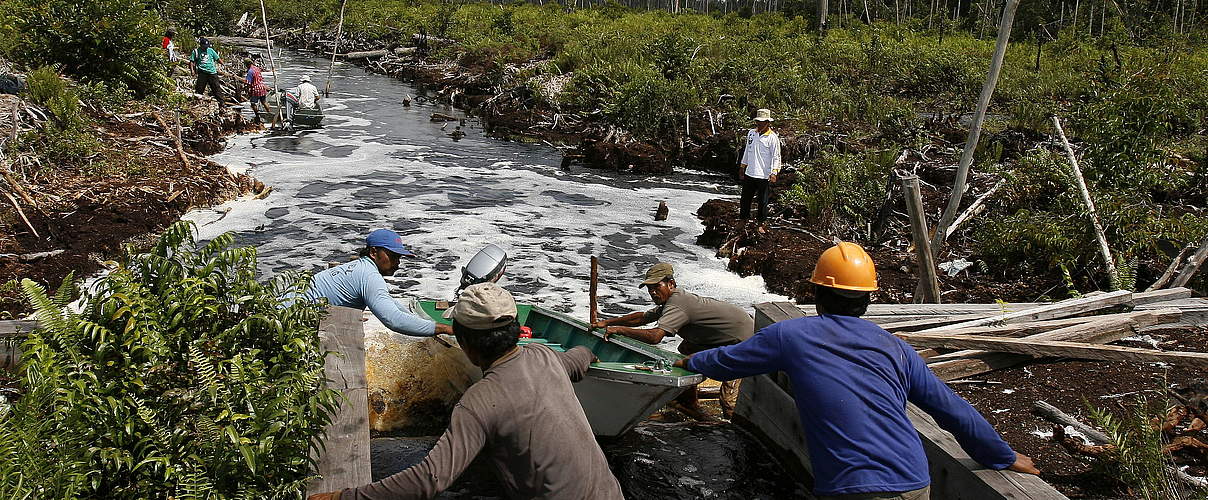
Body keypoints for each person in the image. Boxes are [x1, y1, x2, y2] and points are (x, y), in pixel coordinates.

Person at [674, 242, 1041, 499]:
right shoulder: (897, 348)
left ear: (816, 292)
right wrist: (1002, 456)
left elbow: (728, 361)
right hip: (914, 482)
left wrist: (691, 361)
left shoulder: (791, 336)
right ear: (867, 300)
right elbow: (953, 410)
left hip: (854, 487)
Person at [308, 283, 624, 500]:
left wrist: (343, 496)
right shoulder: (543, 357)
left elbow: (430, 479)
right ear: (516, 331)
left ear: (466, 343)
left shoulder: (479, 402)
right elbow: (576, 360)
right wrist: (590, 352)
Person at [591, 262, 753, 417]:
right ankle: (689, 402)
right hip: (727, 339)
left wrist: (620, 330)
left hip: (744, 344)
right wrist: (607, 322)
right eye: (649, 289)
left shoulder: (677, 304)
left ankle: (732, 427)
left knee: (729, 403)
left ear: (671, 284)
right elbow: (641, 318)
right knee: (686, 350)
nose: (653, 292)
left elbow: (655, 337)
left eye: (657, 287)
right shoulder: (673, 300)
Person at [303, 229, 452, 337]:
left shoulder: (360, 267)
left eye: (399, 257)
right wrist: (444, 328)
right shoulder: (369, 276)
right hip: (287, 324)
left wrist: (424, 325)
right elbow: (393, 320)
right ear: (374, 252)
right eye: (393, 256)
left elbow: (391, 304)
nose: (398, 263)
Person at [738, 108, 782, 222]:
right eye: (758, 122)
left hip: (763, 174)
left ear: (767, 122)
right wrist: (743, 166)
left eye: (762, 122)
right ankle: (743, 220)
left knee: (762, 201)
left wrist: (774, 172)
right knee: (745, 199)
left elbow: (776, 156)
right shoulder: (751, 134)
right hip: (750, 172)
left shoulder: (772, 137)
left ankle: (761, 223)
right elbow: (748, 150)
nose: (759, 124)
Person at [189, 37, 225, 105]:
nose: (206, 48)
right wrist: (192, 70)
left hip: (212, 72)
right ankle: (197, 102)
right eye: (204, 46)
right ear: (201, 45)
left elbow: (217, 58)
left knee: (216, 88)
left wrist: (223, 64)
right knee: (199, 89)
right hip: (202, 73)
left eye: (207, 46)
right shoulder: (196, 51)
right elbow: (191, 61)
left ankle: (222, 103)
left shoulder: (210, 50)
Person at [244, 58, 269, 123]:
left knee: (253, 103)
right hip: (262, 87)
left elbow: (248, 83)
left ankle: (257, 115)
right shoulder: (257, 69)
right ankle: (269, 113)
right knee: (264, 102)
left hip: (256, 89)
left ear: (247, 64)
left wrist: (248, 91)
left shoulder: (250, 71)